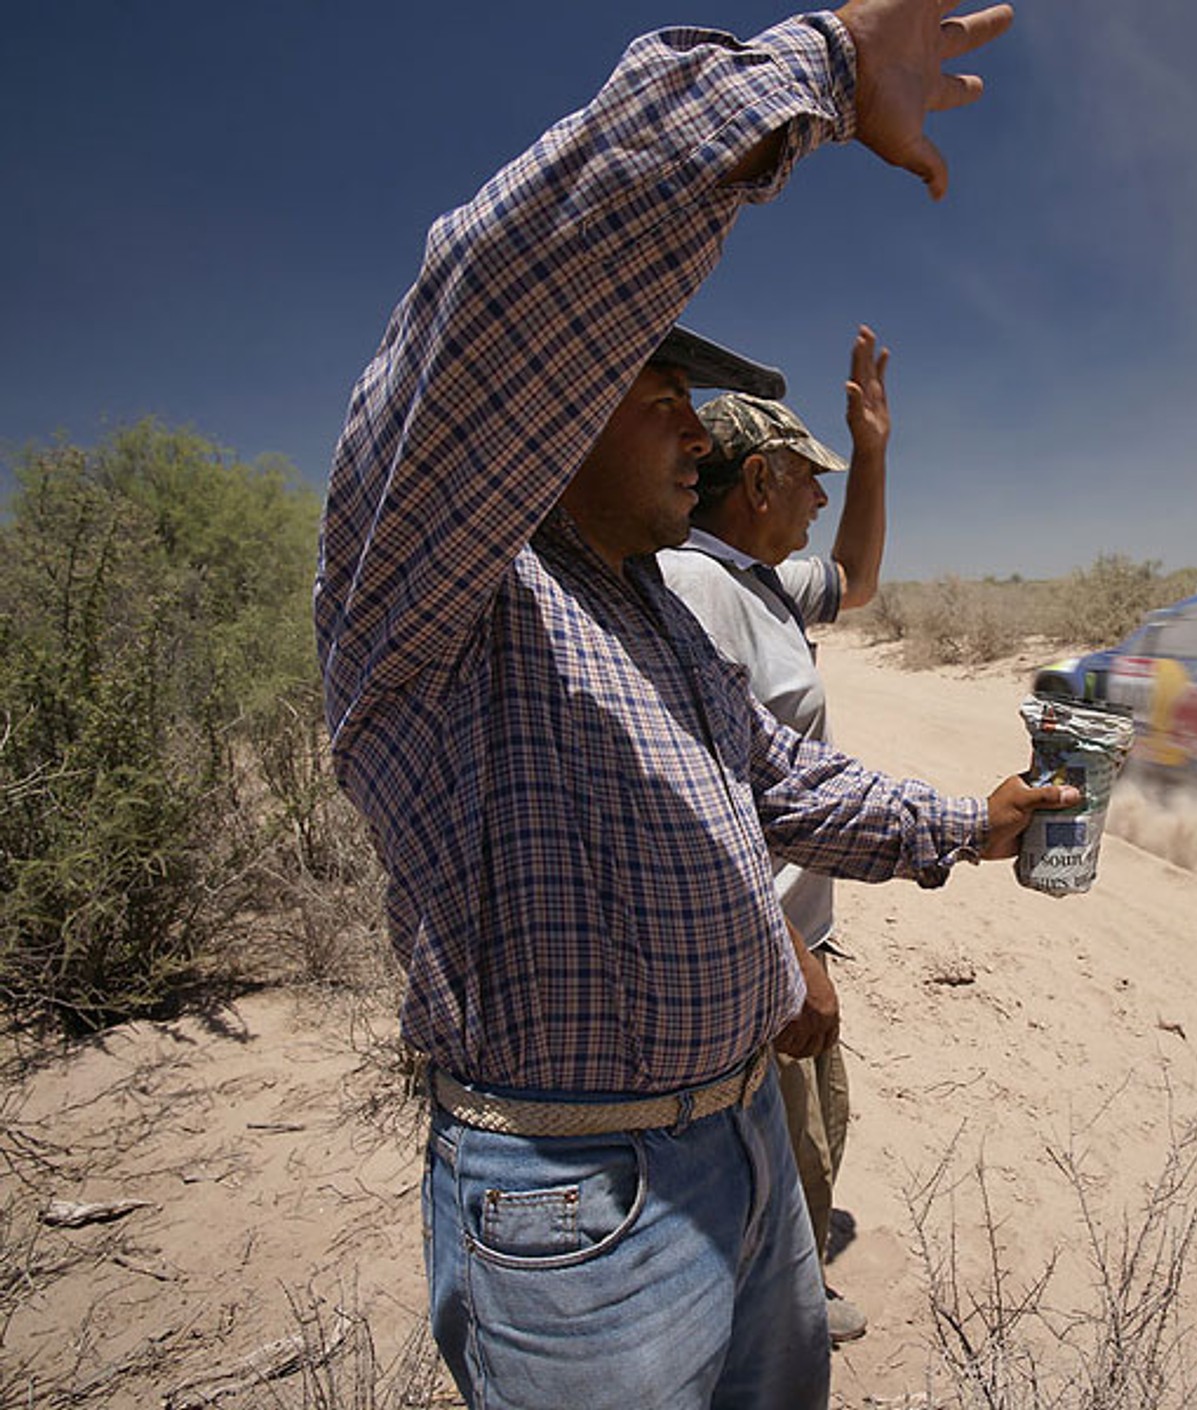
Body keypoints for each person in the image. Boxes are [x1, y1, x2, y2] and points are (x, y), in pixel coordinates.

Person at [313, 3, 1053, 1407]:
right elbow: (502, 287)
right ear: (559, 404)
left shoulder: (640, 610)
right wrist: (820, 70)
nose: (701, 433)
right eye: (663, 389)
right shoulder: (440, 589)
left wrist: (972, 820)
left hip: (742, 1149)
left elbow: (780, 779)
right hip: (581, 1206)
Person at [658, 327, 890, 1346]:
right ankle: (777, 1317)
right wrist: (787, 956)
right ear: (756, 479)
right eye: (810, 479)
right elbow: (692, 793)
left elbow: (856, 580)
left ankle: (777, 1288)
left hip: (791, 932)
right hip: (754, 949)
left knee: (809, 1123)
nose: (820, 497)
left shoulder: (757, 581)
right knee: (778, 1138)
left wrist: (871, 447)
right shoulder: (695, 590)